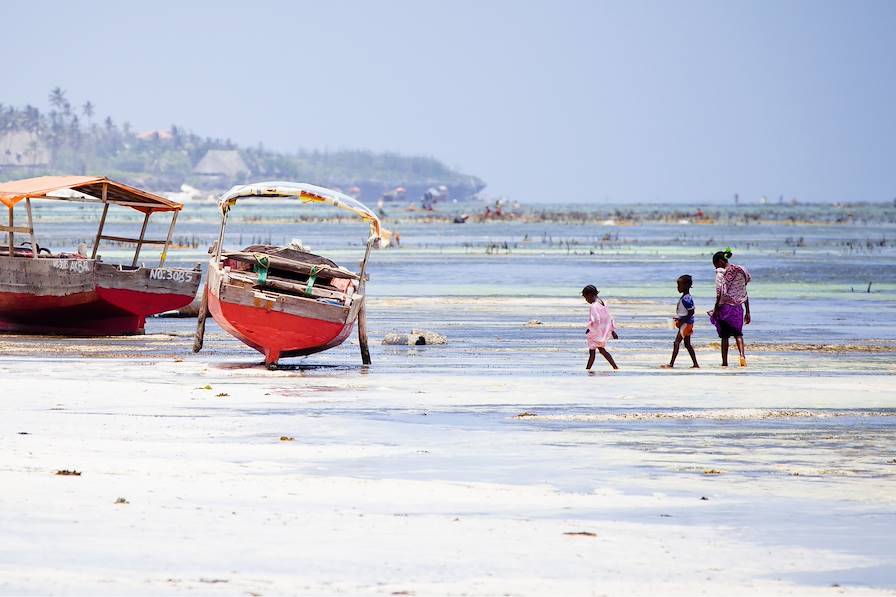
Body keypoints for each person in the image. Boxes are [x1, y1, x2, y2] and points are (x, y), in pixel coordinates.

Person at [709, 248, 751, 366]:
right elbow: (744, 292)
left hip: (725, 308)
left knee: (724, 336)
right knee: (738, 334)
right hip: (738, 308)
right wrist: (748, 312)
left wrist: (716, 309)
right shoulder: (740, 271)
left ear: (721, 261)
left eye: (716, 265)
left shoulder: (721, 274)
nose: (716, 268)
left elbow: (719, 293)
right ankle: (742, 356)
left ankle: (724, 362)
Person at [662, 275, 699, 368]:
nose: (677, 288)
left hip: (686, 324)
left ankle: (671, 364)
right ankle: (695, 364)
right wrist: (679, 317)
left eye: (679, 285)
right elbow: (686, 312)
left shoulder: (686, 299)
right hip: (687, 323)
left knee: (676, 342)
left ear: (686, 286)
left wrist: (681, 319)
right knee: (687, 344)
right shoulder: (685, 297)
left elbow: (691, 312)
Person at [582, 285, 619, 370]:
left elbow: (595, 319)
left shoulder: (593, 306)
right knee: (602, 350)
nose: (586, 300)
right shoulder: (603, 303)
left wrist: (589, 328)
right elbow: (609, 317)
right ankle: (615, 367)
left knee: (592, 351)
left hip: (595, 332)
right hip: (603, 331)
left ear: (590, 295)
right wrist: (612, 330)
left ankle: (588, 369)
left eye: (586, 298)